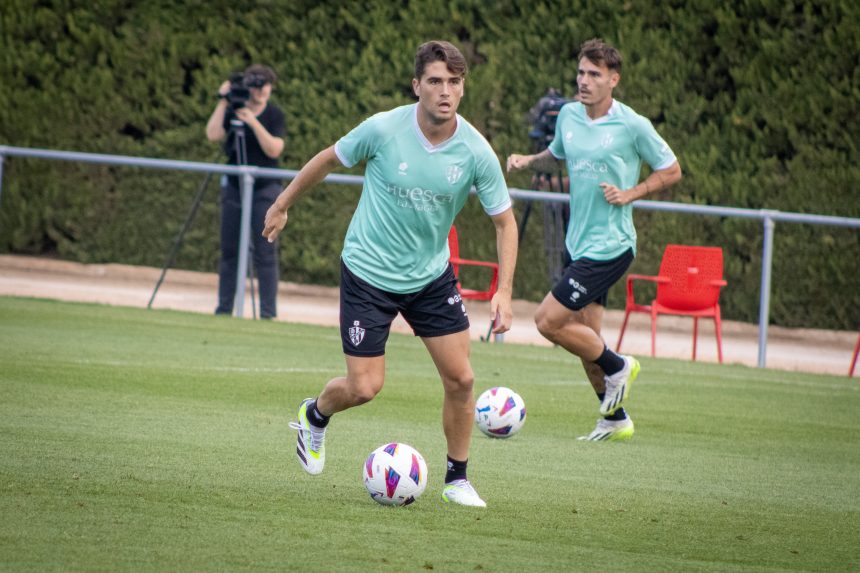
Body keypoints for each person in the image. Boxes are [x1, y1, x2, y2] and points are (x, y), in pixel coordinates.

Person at [262, 41, 518, 507]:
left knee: (461, 380)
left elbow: (505, 221)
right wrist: (281, 205)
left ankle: (457, 479)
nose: (445, 91)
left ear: (463, 88)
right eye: (436, 81)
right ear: (417, 85)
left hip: (430, 278)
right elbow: (326, 160)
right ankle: (315, 415)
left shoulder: (477, 151)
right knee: (364, 387)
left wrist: (504, 291)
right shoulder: (383, 129)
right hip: (368, 272)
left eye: (454, 83)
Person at [507, 38, 682, 442]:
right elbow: (557, 153)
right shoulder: (569, 114)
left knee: (548, 321)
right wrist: (527, 160)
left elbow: (671, 170)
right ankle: (615, 419)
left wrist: (630, 193)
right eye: (581, 73)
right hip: (577, 242)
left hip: (611, 246)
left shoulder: (631, 124)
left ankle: (619, 366)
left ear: (613, 80)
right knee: (587, 344)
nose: (584, 81)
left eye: (594, 75)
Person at [206, 64, 285, 319]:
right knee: (230, 250)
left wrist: (252, 122)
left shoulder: (274, 114)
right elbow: (213, 134)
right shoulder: (234, 109)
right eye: (256, 86)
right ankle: (224, 308)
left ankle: (267, 313)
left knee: (264, 251)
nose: (260, 91)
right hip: (234, 186)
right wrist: (222, 101)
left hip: (264, 187)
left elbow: (274, 149)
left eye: (265, 86)